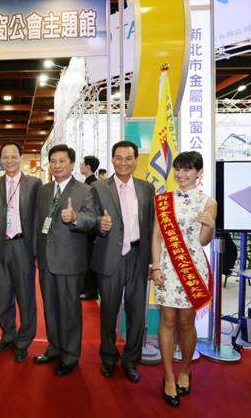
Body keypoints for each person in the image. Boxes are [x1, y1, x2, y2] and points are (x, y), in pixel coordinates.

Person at [150, 151, 216, 407]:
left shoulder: (208, 202)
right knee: (167, 319)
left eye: (187, 169)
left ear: (199, 173)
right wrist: (156, 267)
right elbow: (156, 235)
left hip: (191, 268)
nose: (181, 174)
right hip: (167, 266)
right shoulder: (163, 200)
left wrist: (209, 225)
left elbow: (203, 241)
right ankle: (168, 376)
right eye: (178, 169)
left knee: (187, 322)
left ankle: (185, 370)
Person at [90, 140, 155, 383]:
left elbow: (150, 226)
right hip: (110, 257)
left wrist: (152, 261)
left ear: (136, 161)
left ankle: (131, 361)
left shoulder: (146, 188)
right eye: (118, 158)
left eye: (128, 158)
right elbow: (90, 219)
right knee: (108, 311)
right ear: (112, 159)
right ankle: (108, 358)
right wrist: (100, 225)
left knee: (137, 313)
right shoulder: (98, 188)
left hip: (138, 256)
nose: (123, 163)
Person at [33, 144, 97, 376]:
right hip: (46, 261)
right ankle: (54, 347)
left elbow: (92, 219)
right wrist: (35, 254)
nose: (57, 165)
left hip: (70, 261)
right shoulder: (43, 190)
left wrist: (75, 217)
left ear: (72, 164)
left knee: (69, 310)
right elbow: (37, 223)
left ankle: (70, 356)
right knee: (50, 307)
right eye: (53, 161)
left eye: (62, 161)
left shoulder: (84, 190)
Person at [0, 142, 42, 362]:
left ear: (21, 157)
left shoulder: (34, 184)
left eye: (13, 156)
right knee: (3, 297)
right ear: (0, 160)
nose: (9, 161)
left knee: (25, 297)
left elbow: (39, 216)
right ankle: (8, 335)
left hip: (23, 246)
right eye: (5, 157)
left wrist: (36, 250)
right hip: (1, 245)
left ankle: (24, 341)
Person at [80, 155, 100, 300]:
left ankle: (91, 291)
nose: (80, 166)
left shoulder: (93, 184)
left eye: (82, 164)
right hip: (87, 230)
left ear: (88, 167)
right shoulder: (89, 182)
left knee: (90, 261)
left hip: (91, 231)